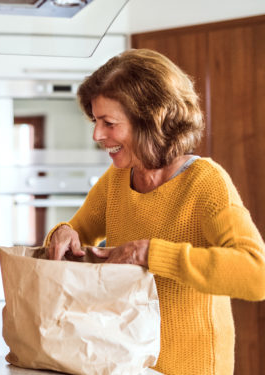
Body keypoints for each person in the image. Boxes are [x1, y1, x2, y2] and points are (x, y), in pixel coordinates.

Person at [44, 49, 265, 375]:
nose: (97, 135)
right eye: (95, 121)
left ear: (150, 120)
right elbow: (74, 233)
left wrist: (150, 254)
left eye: (109, 123)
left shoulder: (205, 182)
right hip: (128, 365)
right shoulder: (116, 180)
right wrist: (62, 232)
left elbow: (255, 274)